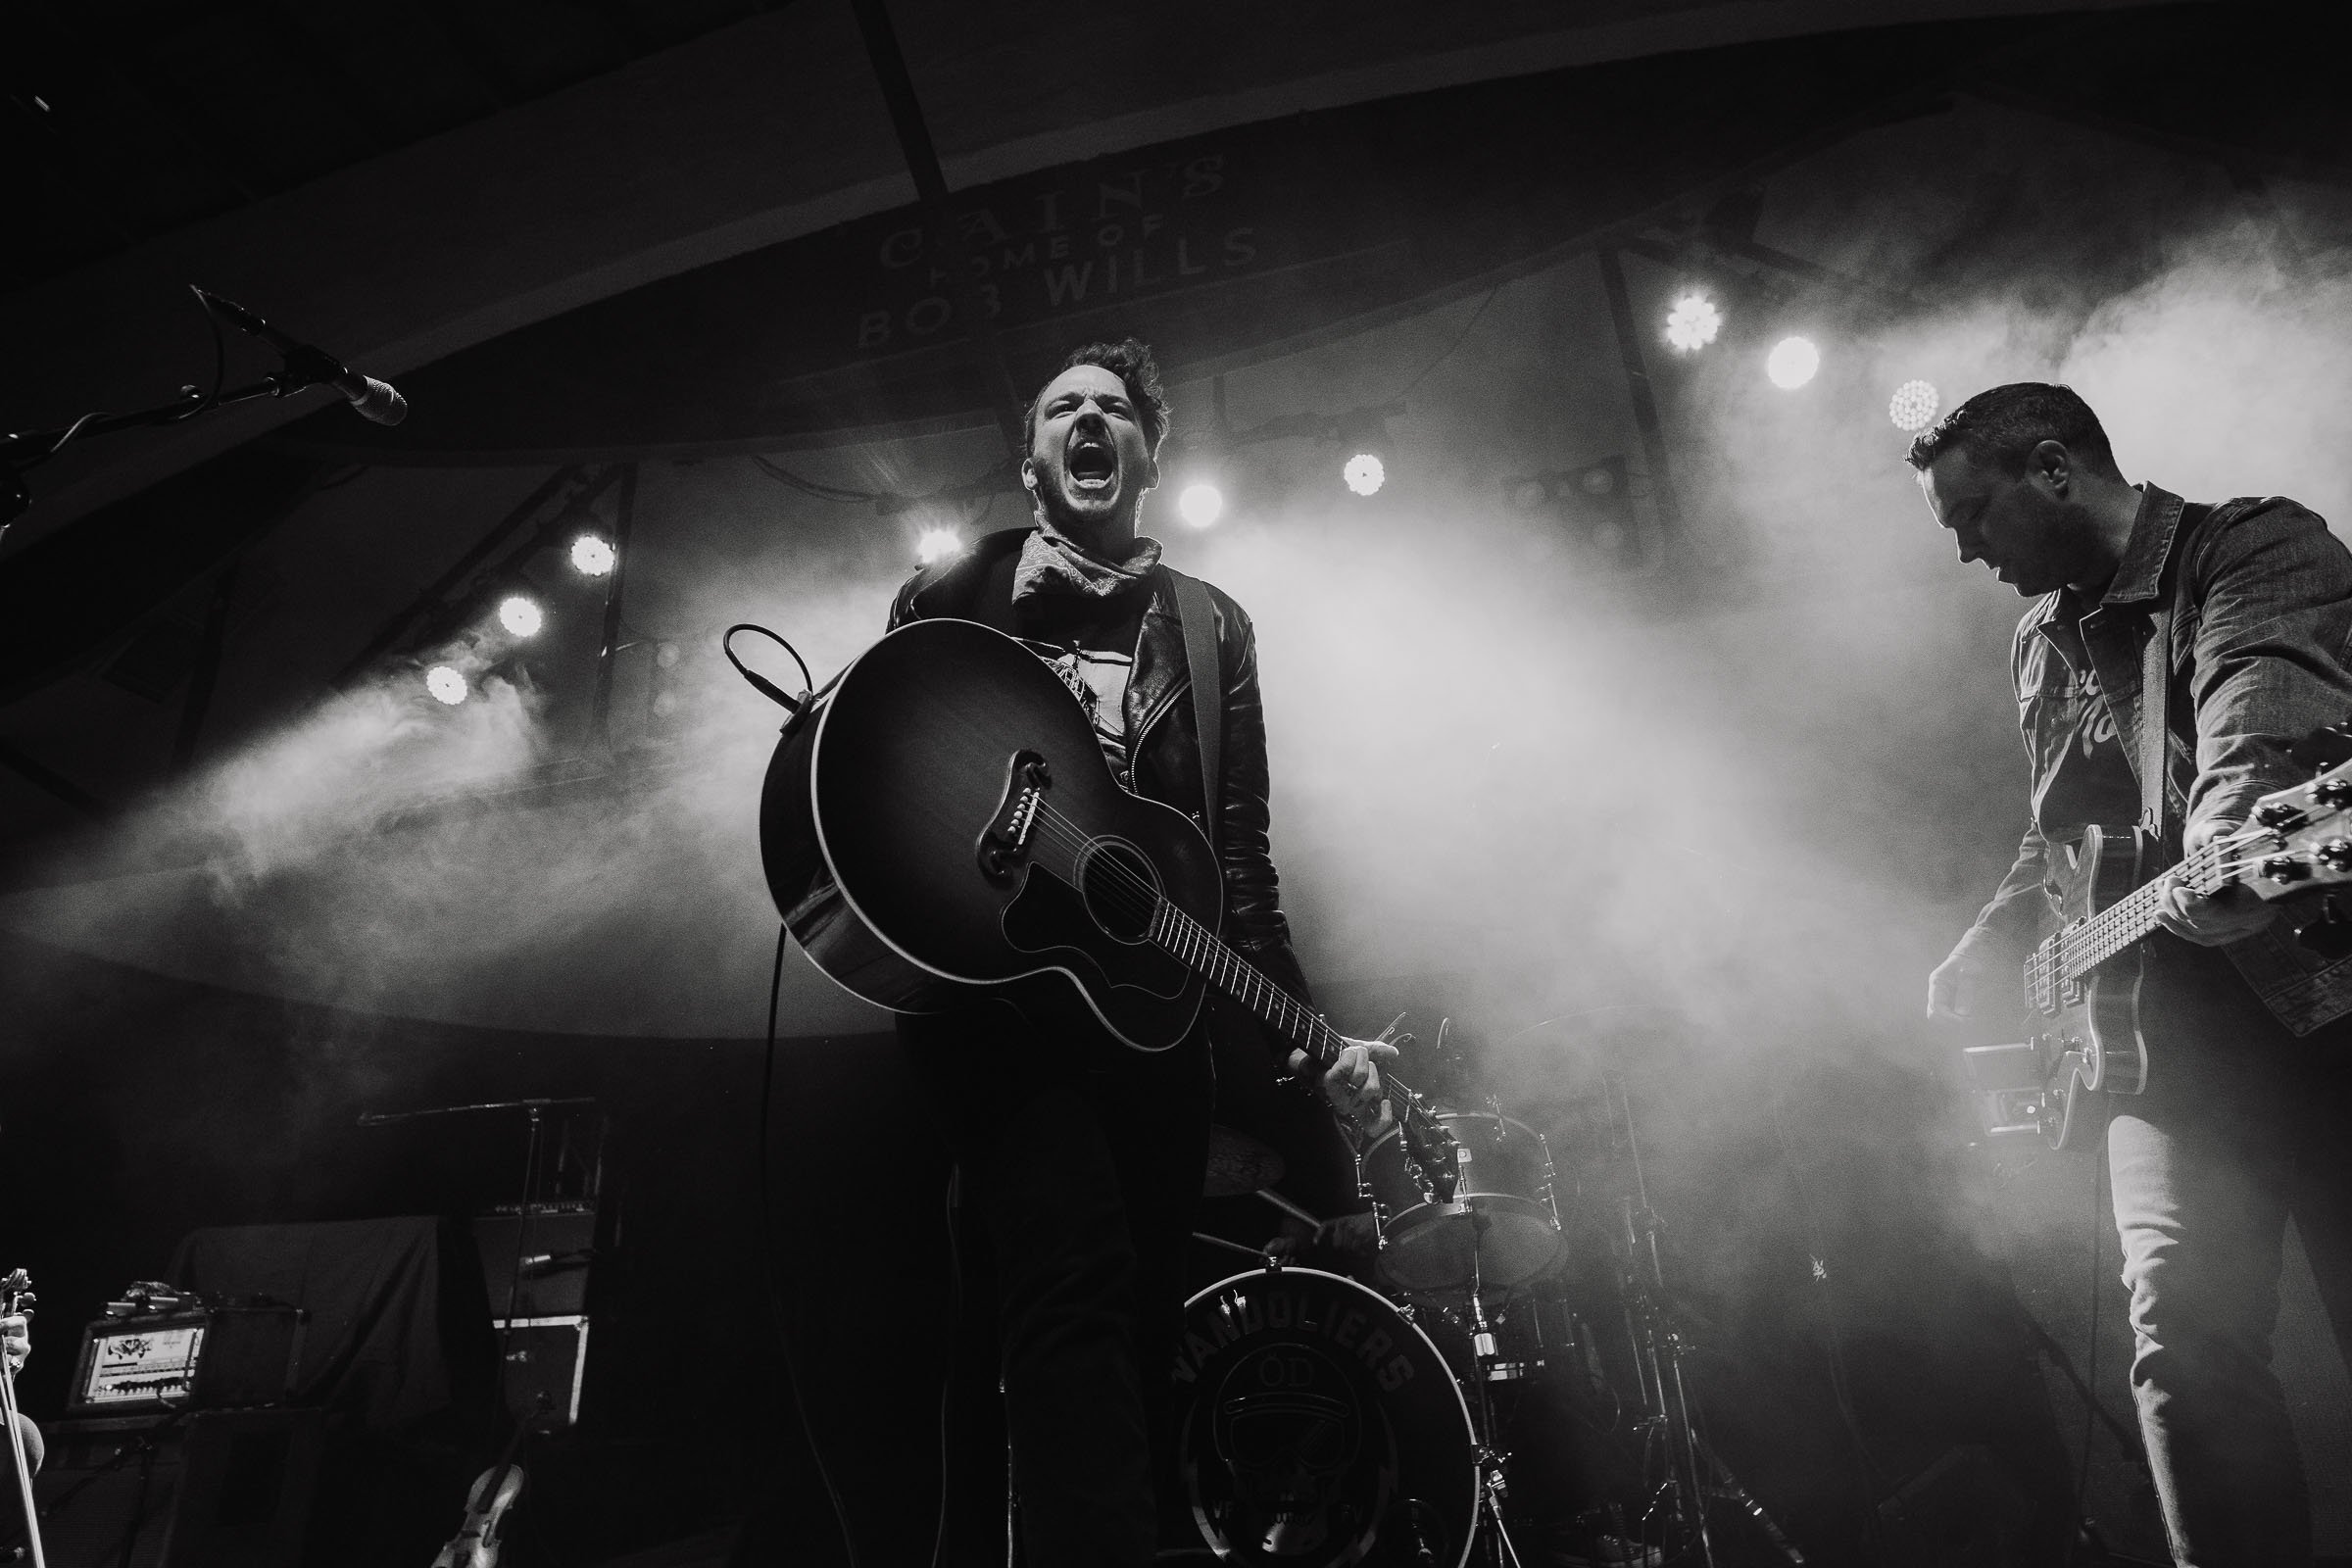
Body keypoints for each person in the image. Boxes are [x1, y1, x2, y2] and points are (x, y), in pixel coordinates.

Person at [882, 338, 1393, 1567]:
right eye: (1064, 407)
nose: (1090, 420)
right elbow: (890, 783)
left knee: (1127, 1334)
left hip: (1157, 1036)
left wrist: (1311, 1043)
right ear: (1032, 458)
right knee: (1067, 1303)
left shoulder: (1214, 631)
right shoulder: (948, 594)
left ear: (1150, 455)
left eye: (1115, 408)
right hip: (1002, 1022)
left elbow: (1239, 877)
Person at [1916, 382, 2352, 1566]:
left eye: (1971, 514)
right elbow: (2060, 835)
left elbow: (2260, 708)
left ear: (2053, 469)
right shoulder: (2036, 638)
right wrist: (1995, 941)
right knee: (2182, 1349)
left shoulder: (2253, 544)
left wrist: (2230, 829)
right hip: (2168, 1054)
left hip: (2321, 999)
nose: (1962, 546)